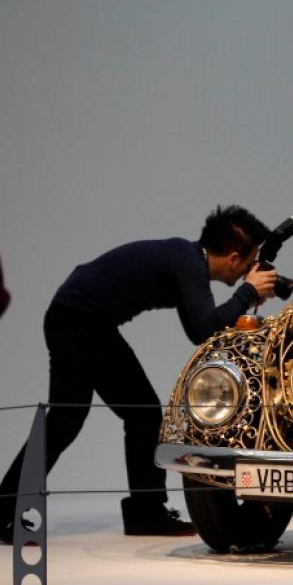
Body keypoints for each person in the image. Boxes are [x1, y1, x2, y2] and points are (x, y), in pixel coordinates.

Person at [0, 205, 278, 543]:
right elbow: (207, 328)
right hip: (77, 323)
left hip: (86, 323)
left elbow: (197, 330)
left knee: (141, 414)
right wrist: (247, 292)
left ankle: (145, 513)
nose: (251, 270)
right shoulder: (188, 263)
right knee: (67, 421)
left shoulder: (187, 261)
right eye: (251, 262)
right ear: (235, 257)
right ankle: (5, 510)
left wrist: (244, 300)